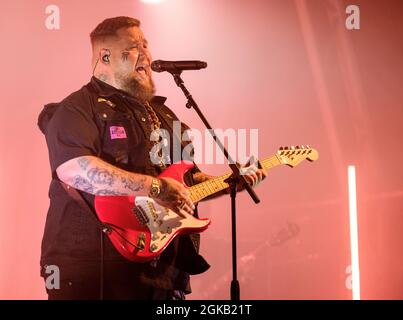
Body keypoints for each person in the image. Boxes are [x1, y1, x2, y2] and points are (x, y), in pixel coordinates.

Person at [38, 16, 266, 300]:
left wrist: (231, 182)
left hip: (162, 271)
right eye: (134, 47)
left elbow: (187, 180)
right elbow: (75, 170)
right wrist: (155, 188)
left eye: (146, 44)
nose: (146, 53)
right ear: (105, 56)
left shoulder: (164, 116)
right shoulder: (76, 109)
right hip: (95, 270)